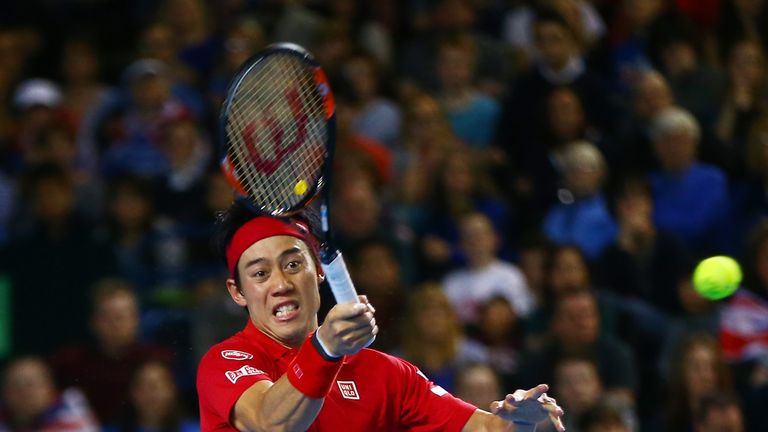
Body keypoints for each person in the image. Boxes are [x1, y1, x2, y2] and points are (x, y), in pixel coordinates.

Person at [197, 203, 565, 431]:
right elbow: (271, 422)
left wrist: (519, 422)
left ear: (319, 272)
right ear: (237, 292)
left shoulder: (388, 374)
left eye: (293, 264)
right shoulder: (224, 363)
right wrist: (325, 348)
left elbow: (485, 428)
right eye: (260, 274)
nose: (280, 283)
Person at [0, 356, 99, 431]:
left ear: (50, 388)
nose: (24, 393)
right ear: (4, 392)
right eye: (15, 385)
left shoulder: (72, 414)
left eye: (30, 385)